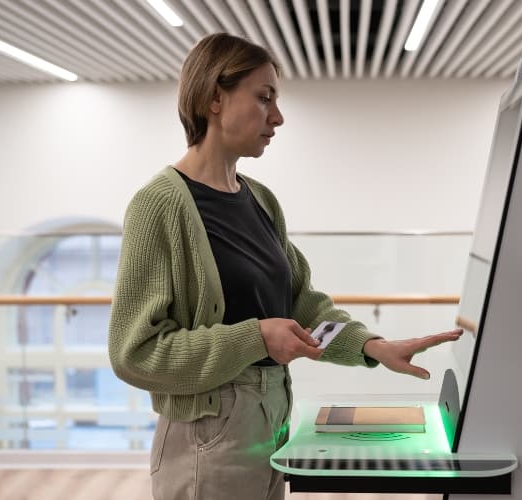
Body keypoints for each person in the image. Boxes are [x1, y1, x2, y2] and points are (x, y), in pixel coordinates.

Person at [108, 32, 463, 500]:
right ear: (215, 97)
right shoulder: (159, 206)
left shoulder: (259, 199)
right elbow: (134, 352)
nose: (276, 117)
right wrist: (255, 337)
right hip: (208, 437)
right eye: (264, 98)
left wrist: (373, 347)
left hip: (272, 421)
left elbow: (304, 307)